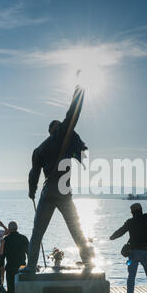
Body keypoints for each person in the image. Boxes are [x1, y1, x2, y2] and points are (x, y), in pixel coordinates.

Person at [21, 84, 94, 274]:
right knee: (76, 229)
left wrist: (31, 191)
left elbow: (33, 174)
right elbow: (72, 115)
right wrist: (78, 95)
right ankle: (88, 261)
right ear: (58, 129)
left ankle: (30, 267)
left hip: (47, 191)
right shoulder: (64, 136)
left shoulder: (39, 150)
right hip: (64, 191)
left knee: (37, 233)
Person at [110, 188, 147, 293]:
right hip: (146, 251)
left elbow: (120, 232)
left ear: (132, 212)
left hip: (133, 253)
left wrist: (111, 237)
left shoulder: (130, 222)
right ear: (141, 210)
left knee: (131, 277)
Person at [1, 222, 29, 293]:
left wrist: (1, 268)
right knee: (21, 288)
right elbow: (29, 253)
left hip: (10, 267)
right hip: (22, 267)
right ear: (17, 228)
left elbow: (2, 256)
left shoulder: (6, 239)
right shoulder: (24, 238)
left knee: (11, 289)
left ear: (9, 229)